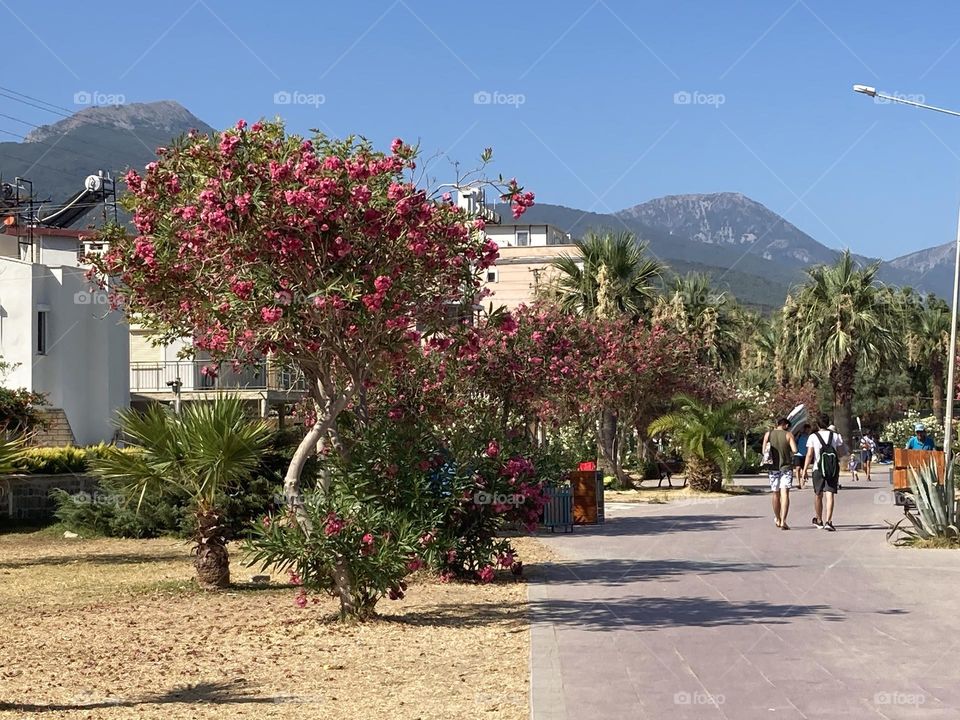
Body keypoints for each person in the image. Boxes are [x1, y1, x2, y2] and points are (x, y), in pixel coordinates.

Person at [802, 420, 844, 531]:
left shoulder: (813, 437)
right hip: (832, 468)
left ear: (817, 425)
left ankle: (819, 520)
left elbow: (810, 454)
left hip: (818, 469)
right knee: (830, 495)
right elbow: (840, 452)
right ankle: (829, 521)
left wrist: (805, 470)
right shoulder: (835, 436)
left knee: (818, 494)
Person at [763, 418, 798, 530]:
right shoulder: (788, 435)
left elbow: (764, 450)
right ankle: (783, 521)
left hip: (773, 468)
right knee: (785, 494)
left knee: (775, 494)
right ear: (785, 425)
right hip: (786, 467)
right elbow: (795, 450)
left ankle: (777, 518)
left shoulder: (768, 434)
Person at [793, 423, 811, 489]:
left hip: (805, 454)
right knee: (797, 468)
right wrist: (798, 433)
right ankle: (798, 483)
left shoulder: (809, 437)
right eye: (807, 429)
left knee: (804, 469)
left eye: (809, 430)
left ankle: (803, 483)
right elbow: (794, 440)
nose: (808, 431)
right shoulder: (799, 435)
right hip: (798, 454)